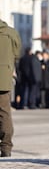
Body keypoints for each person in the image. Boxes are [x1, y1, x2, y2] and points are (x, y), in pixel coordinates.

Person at [0, 19, 21, 157]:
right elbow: (17, 54)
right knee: (4, 113)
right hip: (3, 78)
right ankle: (6, 147)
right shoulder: (11, 32)